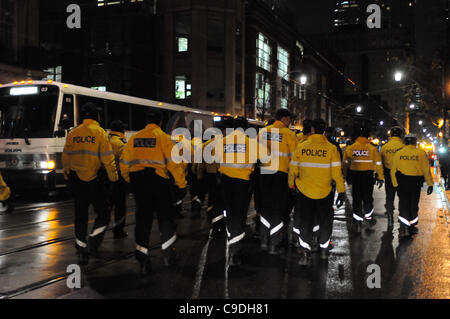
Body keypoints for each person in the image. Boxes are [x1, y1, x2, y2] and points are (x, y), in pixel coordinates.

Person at [120, 110, 187, 275]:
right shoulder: (164, 138)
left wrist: (130, 180)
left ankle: (143, 260)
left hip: (139, 182)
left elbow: (123, 163)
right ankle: (168, 255)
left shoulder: (134, 138)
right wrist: (181, 184)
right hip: (159, 183)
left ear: (146, 121)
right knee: (166, 219)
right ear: (161, 122)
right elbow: (174, 165)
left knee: (142, 221)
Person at [62, 103, 118, 265]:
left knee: (80, 216)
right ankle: (93, 240)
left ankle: (81, 247)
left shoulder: (73, 133)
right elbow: (108, 159)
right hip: (94, 180)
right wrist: (113, 179)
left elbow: (66, 157)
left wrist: (67, 174)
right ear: (96, 117)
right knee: (104, 213)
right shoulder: (100, 133)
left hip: (76, 179)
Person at [289, 119, 346, 265]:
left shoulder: (302, 147)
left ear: (312, 129)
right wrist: (341, 191)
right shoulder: (331, 148)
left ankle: (305, 253)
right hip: (325, 191)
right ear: (324, 130)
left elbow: (293, 169)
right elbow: (337, 173)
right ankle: (323, 251)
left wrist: (291, 185)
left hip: (304, 191)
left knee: (306, 222)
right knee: (325, 221)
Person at [258, 109, 298, 254]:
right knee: (278, 209)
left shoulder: (262, 132)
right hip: (281, 174)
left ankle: (263, 240)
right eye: (290, 119)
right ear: (285, 118)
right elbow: (295, 158)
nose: (290, 122)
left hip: (265, 173)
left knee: (266, 207)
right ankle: (274, 244)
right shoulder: (289, 134)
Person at [217, 117, 256, 266]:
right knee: (239, 215)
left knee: (231, 213)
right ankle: (235, 252)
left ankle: (232, 242)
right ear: (245, 128)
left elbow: (215, 157)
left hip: (226, 181)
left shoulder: (224, 141)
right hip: (242, 183)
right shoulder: (251, 143)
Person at [390, 134, 433, 237]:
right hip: (416, 183)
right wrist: (430, 184)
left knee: (403, 204)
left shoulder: (399, 154)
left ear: (405, 142)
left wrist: (395, 185)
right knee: (413, 204)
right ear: (415, 142)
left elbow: (392, 171)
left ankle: (403, 227)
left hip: (402, 182)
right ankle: (412, 226)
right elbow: (426, 170)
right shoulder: (421, 153)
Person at [343, 126, 384, 233]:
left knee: (356, 198)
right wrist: (380, 177)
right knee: (367, 197)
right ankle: (369, 218)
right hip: (367, 176)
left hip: (355, 176)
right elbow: (378, 164)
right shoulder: (372, 148)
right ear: (367, 137)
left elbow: (345, 164)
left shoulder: (351, 148)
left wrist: (344, 176)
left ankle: (357, 222)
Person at [380, 126, 405, 227]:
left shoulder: (385, 147)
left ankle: (390, 217)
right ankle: (402, 220)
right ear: (400, 135)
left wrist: (380, 176)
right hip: (401, 174)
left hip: (388, 174)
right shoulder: (403, 146)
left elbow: (380, 162)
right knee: (402, 197)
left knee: (389, 197)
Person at [108, 120, 129, 238]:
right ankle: (118, 230)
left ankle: (99, 230)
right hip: (118, 179)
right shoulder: (121, 143)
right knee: (120, 206)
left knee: (107, 207)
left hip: (105, 178)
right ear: (121, 131)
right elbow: (124, 163)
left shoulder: (106, 140)